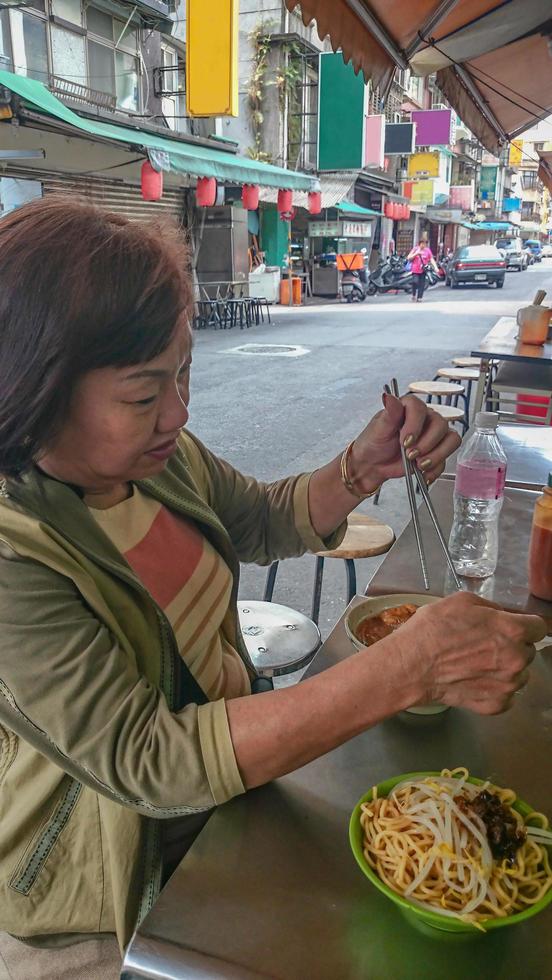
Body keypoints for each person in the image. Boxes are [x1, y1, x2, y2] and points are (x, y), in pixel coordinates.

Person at [0, 198, 545, 979]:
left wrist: (360, 467)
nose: (178, 414)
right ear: (35, 390)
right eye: (144, 395)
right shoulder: (15, 552)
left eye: (183, 374)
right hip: (96, 892)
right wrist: (405, 668)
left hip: (224, 798)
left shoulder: (161, 458)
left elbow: (257, 518)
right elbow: (147, 758)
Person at [408, 237, 437, 302]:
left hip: (423, 270)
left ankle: (419, 297)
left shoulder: (427, 250)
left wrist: (435, 267)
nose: (423, 245)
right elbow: (409, 257)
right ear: (419, 244)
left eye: (425, 244)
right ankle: (413, 294)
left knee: (422, 284)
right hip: (415, 270)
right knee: (415, 282)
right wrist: (416, 254)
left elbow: (431, 259)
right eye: (422, 244)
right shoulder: (415, 249)